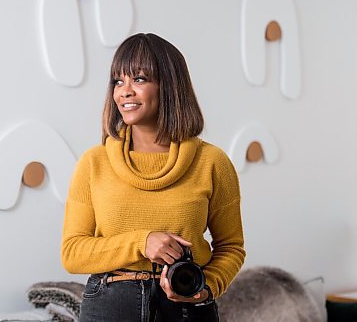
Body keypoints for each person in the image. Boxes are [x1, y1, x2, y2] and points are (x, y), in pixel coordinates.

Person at [61, 33, 245, 322]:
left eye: (140, 79)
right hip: (110, 306)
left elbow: (231, 247)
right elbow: (72, 252)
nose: (125, 91)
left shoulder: (212, 162)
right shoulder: (93, 162)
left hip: (187, 308)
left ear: (169, 86)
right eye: (118, 81)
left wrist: (207, 287)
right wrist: (141, 242)